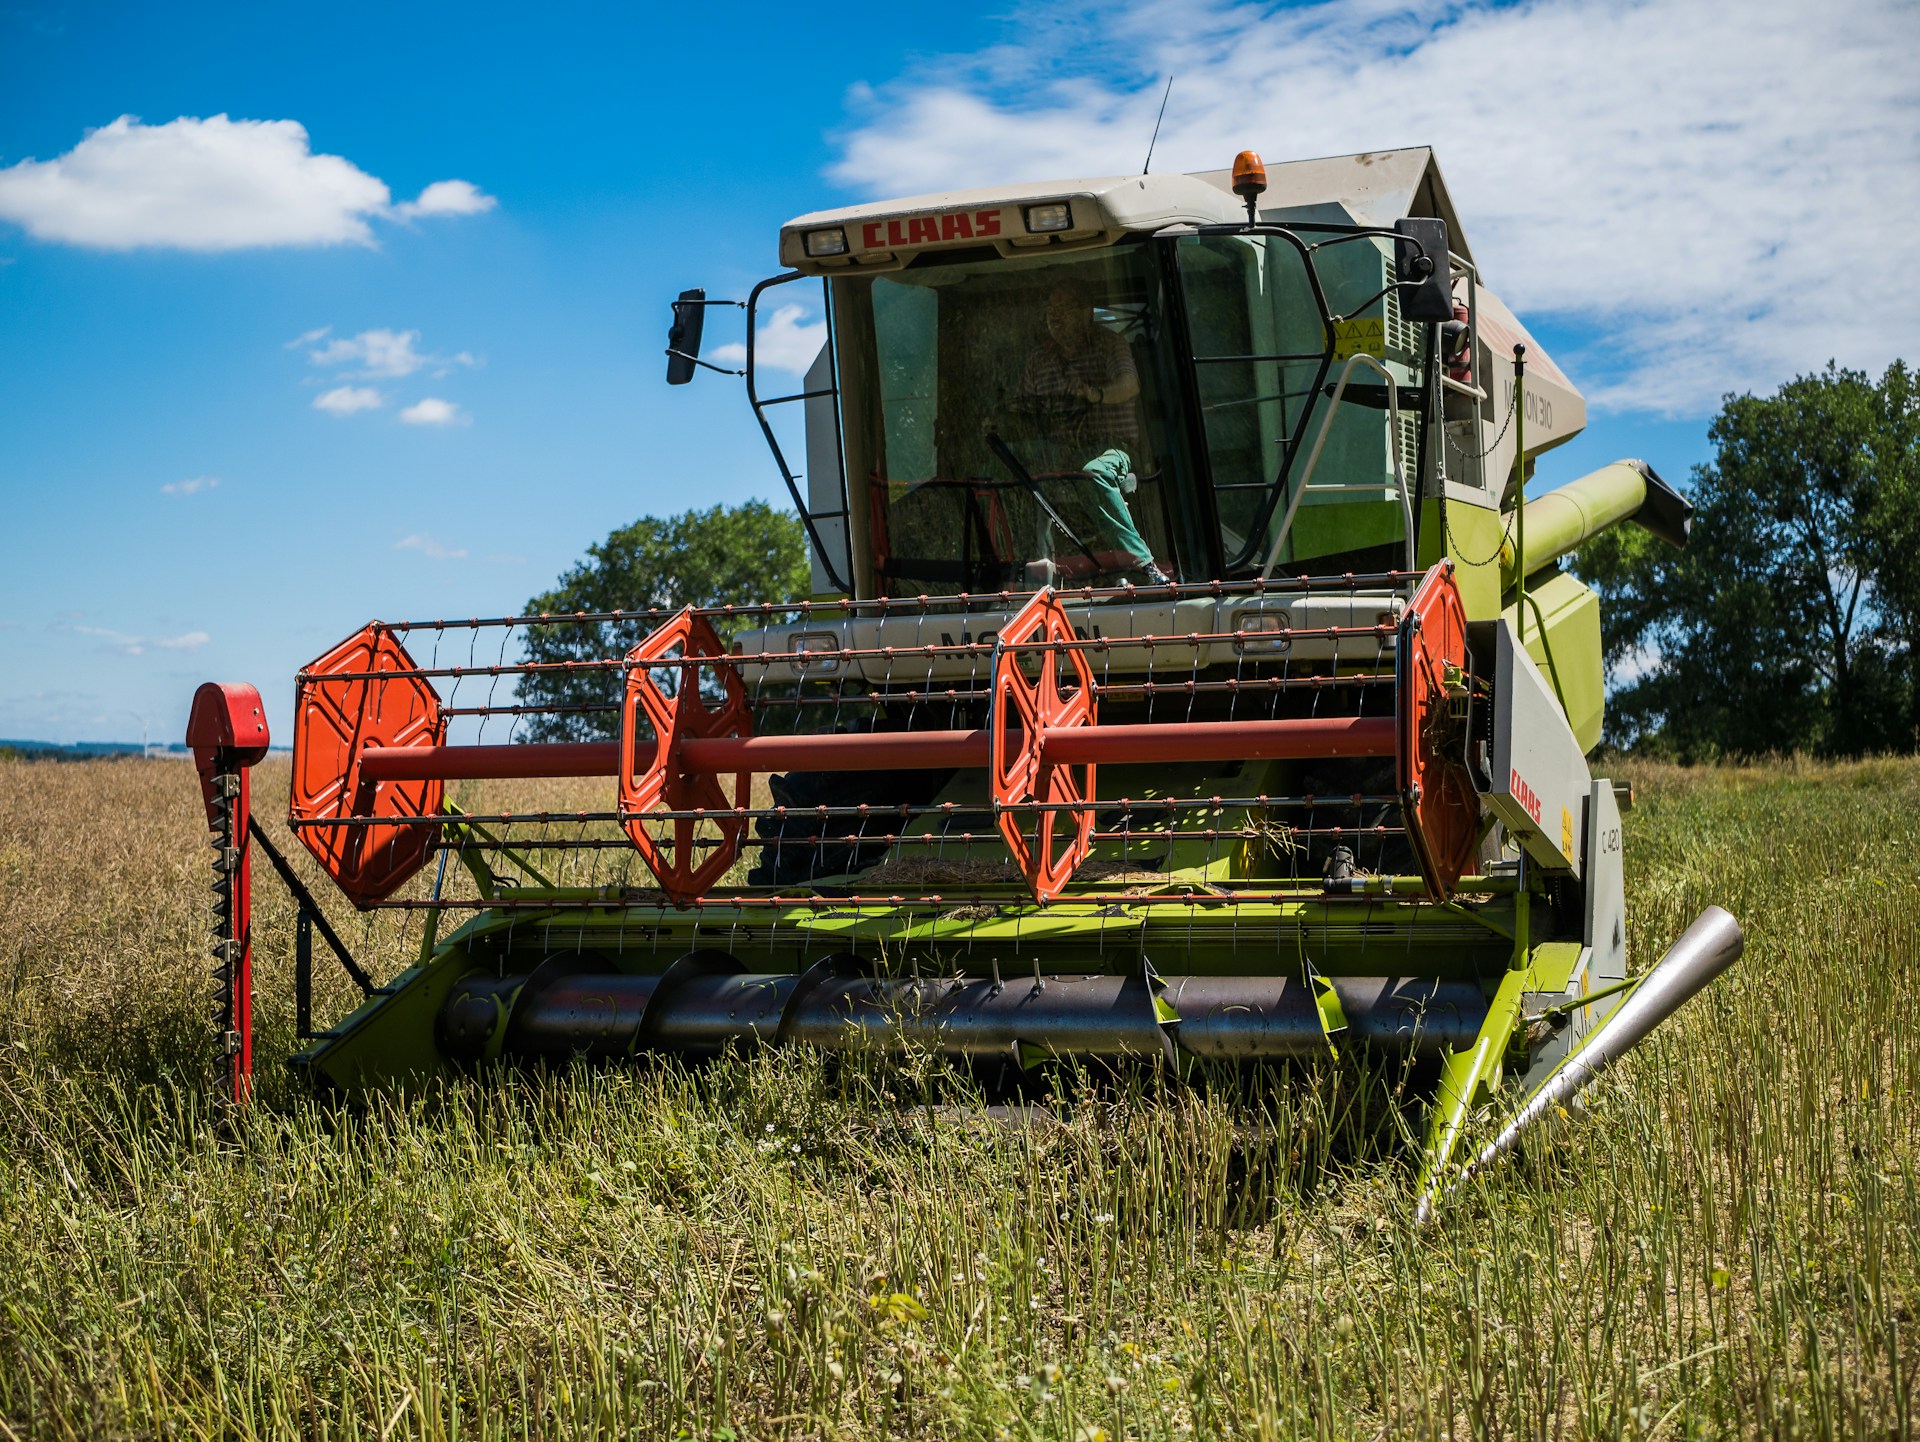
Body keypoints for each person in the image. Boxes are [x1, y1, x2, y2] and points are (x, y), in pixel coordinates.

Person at [1013, 278, 1170, 583]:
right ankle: (1033, 574)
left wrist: (1094, 395)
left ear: (1088, 313)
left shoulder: (1110, 344)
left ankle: (1143, 563)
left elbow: (1129, 385)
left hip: (1112, 446)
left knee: (1093, 472)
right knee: (1013, 474)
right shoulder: (1038, 360)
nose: (1054, 317)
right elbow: (1023, 408)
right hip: (1059, 452)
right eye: (1050, 310)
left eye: (1064, 308)